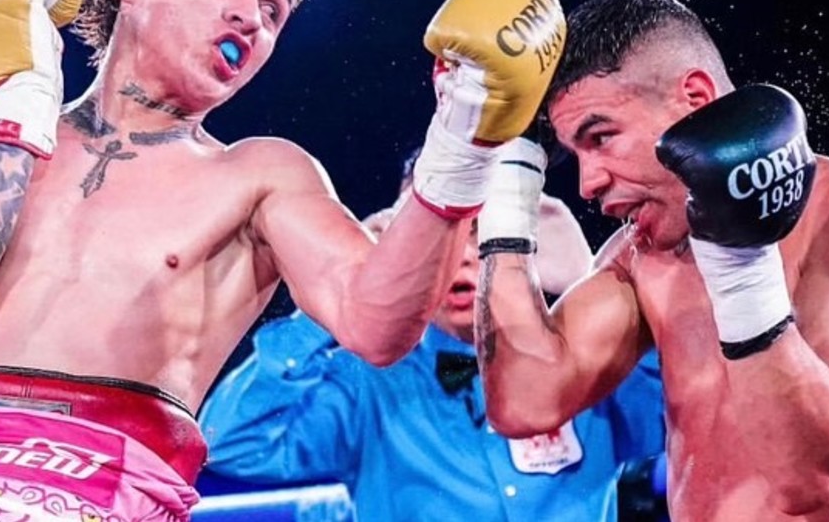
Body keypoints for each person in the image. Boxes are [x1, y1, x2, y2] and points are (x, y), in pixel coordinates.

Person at [0, 0, 567, 519]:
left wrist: (460, 145)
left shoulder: (261, 177)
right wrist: (21, 97)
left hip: (102, 498)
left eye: (274, 9)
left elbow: (376, 327)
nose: (251, 17)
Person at [472, 0, 829, 521]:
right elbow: (525, 401)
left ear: (695, 98)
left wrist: (738, 263)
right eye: (575, 153)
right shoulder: (644, 255)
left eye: (601, 137)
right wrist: (508, 189)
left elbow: (809, 478)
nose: (588, 183)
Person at [198, 150, 665, 521]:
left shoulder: (580, 358)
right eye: (441, 237)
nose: (462, 255)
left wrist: (590, 284)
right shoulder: (367, 382)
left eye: (481, 232)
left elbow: (678, 413)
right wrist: (340, 297)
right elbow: (229, 443)